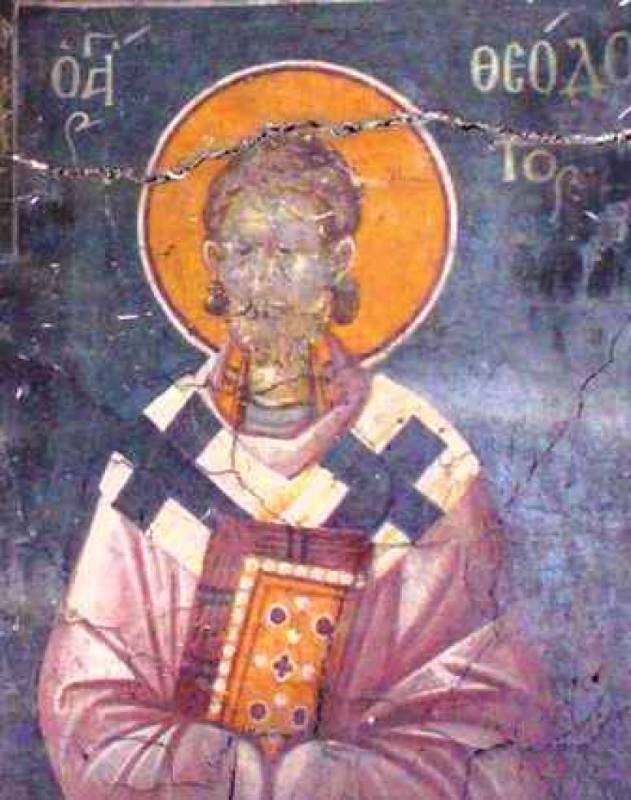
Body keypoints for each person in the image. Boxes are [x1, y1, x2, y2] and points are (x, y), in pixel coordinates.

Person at [38, 136, 555, 799]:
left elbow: (486, 717)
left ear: (338, 261)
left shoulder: (422, 461)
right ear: (213, 264)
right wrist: (227, 773)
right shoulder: (158, 458)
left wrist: (316, 781)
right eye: (244, 253)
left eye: (288, 253)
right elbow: (89, 702)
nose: (263, 282)